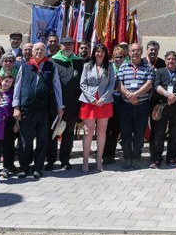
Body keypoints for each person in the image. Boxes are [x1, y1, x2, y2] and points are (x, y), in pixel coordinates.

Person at [13, 42, 64, 179]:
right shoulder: (24, 67)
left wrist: (60, 106)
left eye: (42, 49)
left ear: (45, 51)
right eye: (36, 49)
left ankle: (38, 167)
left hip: (43, 109)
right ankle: (24, 167)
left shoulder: (51, 66)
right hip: (26, 109)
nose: (39, 52)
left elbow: (57, 87)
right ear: (32, 51)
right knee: (25, 140)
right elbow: (17, 87)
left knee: (42, 140)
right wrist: (16, 107)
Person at [47, 36, 83, 170]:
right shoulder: (53, 61)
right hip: (55, 104)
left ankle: (65, 160)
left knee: (68, 134)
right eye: (65, 45)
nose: (68, 47)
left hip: (73, 104)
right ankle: (50, 160)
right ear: (60, 46)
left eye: (70, 45)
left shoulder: (79, 61)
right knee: (53, 133)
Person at [116, 43, 155, 169]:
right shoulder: (123, 66)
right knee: (126, 133)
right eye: (133, 51)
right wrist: (128, 95)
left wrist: (136, 95)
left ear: (141, 52)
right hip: (125, 106)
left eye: (138, 51)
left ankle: (137, 157)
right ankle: (127, 157)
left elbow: (149, 83)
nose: (135, 53)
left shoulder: (147, 66)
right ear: (129, 53)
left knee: (139, 134)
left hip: (141, 105)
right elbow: (119, 84)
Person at [79, 43, 116, 173]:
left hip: (104, 102)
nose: (99, 54)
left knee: (101, 131)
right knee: (88, 131)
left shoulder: (109, 66)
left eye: (102, 52)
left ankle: (99, 159)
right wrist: (91, 98)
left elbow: (112, 84)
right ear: (94, 53)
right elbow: (82, 84)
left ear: (105, 54)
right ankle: (85, 160)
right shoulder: (87, 66)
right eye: (97, 51)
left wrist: (103, 99)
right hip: (89, 102)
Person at [150, 50, 176, 168]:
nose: (171, 61)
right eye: (168, 59)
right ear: (165, 60)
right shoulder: (160, 72)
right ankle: (157, 158)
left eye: (173, 59)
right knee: (159, 133)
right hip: (162, 107)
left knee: (175, 134)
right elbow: (156, 85)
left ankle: (171, 158)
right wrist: (168, 95)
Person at [103, 46, 127, 165]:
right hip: (108, 101)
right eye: (116, 57)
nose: (118, 59)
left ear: (124, 58)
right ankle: (104, 154)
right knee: (106, 129)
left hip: (121, 103)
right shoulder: (108, 68)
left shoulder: (127, 68)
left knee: (116, 130)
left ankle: (111, 154)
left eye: (121, 57)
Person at [0, 72, 18, 178]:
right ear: (1, 81)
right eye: (6, 81)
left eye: (10, 82)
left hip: (9, 121)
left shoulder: (13, 92)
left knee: (8, 145)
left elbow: (16, 108)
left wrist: (16, 123)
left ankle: (8, 165)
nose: (7, 83)